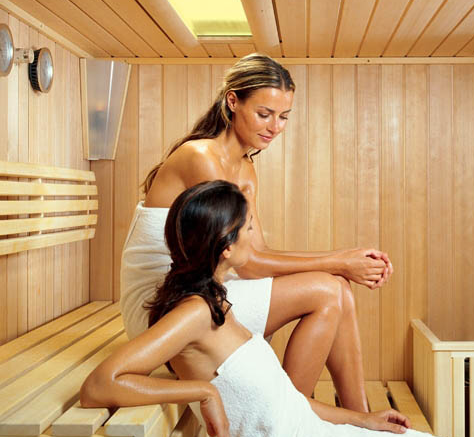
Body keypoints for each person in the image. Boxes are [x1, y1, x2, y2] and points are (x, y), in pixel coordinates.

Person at [82, 181, 474, 437]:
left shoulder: (218, 301)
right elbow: (99, 385)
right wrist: (202, 392)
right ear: (226, 247)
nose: (255, 236)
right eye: (249, 228)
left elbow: (285, 404)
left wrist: (362, 420)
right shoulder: (193, 312)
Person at [120, 53, 393, 412]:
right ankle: (290, 421)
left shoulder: (245, 168)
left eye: (283, 116)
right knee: (329, 289)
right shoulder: (200, 157)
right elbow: (248, 265)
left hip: (203, 290)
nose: (275, 126)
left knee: (337, 287)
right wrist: (340, 262)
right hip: (163, 307)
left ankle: (361, 419)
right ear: (233, 101)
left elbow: (256, 253)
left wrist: (343, 262)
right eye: (264, 114)